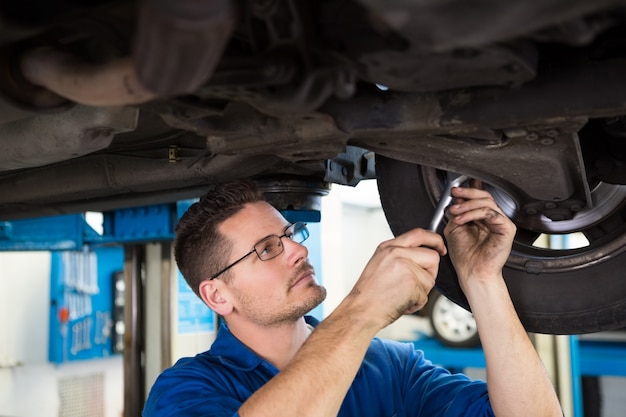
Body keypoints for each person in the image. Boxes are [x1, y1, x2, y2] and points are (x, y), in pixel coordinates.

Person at [142, 179, 562, 417]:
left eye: (289, 235)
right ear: (217, 295)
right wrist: (363, 308)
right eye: (268, 248)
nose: (298, 250)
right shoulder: (187, 389)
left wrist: (482, 278)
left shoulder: (389, 367)